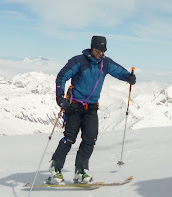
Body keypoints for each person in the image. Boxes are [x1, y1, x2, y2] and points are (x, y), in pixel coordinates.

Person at [47, 35, 136, 185]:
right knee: (69, 138)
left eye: (103, 51)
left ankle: (81, 171)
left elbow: (119, 71)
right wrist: (60, 97)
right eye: (97, 50)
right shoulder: (79, 61)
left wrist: (128, 77)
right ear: (91, 47)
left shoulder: (105, 63)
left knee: (90, 139)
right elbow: (62, 76)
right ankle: (55, 168)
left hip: (91, 108)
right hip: (74, 106)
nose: (100, 53)